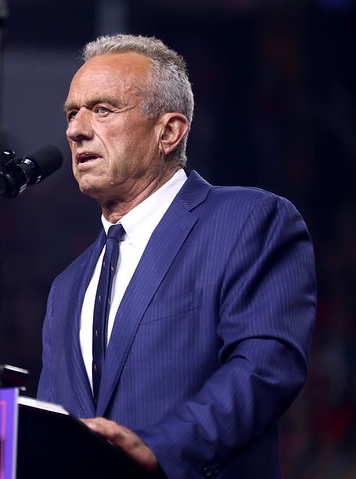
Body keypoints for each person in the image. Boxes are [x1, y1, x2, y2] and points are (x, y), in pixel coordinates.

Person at [37, 34, 316, 478]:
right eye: (72, 114)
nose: (76, 129)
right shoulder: (66, 288)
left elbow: (265, 368)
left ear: (168, 131)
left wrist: (160, 449)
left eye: (102, 109)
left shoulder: (249, 221)